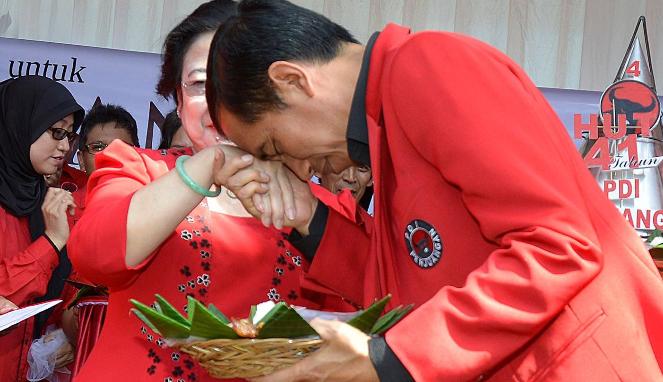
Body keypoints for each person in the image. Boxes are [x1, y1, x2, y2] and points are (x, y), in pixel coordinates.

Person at [206, 1, 663, 381]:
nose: (296, 168)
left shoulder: (427, 65)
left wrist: (391, 358)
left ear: (292, 79)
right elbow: (412, 284)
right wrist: (310, 219)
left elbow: (558, 246)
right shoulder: (385, 126)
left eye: (275, 145)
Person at [68, 1, 346, 381]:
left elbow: (379, 302)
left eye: (242, 81)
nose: (220, 100)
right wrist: (207, 165)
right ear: (178, 101)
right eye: (200, 84)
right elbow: (96, 256)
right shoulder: (137, 169)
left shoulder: (319, 208)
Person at [0, 75, 83, 381]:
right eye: (56, 132)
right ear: (20, 125)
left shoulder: (40, 197)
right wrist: (52, 241)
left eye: (70, 136)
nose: (65, 146)